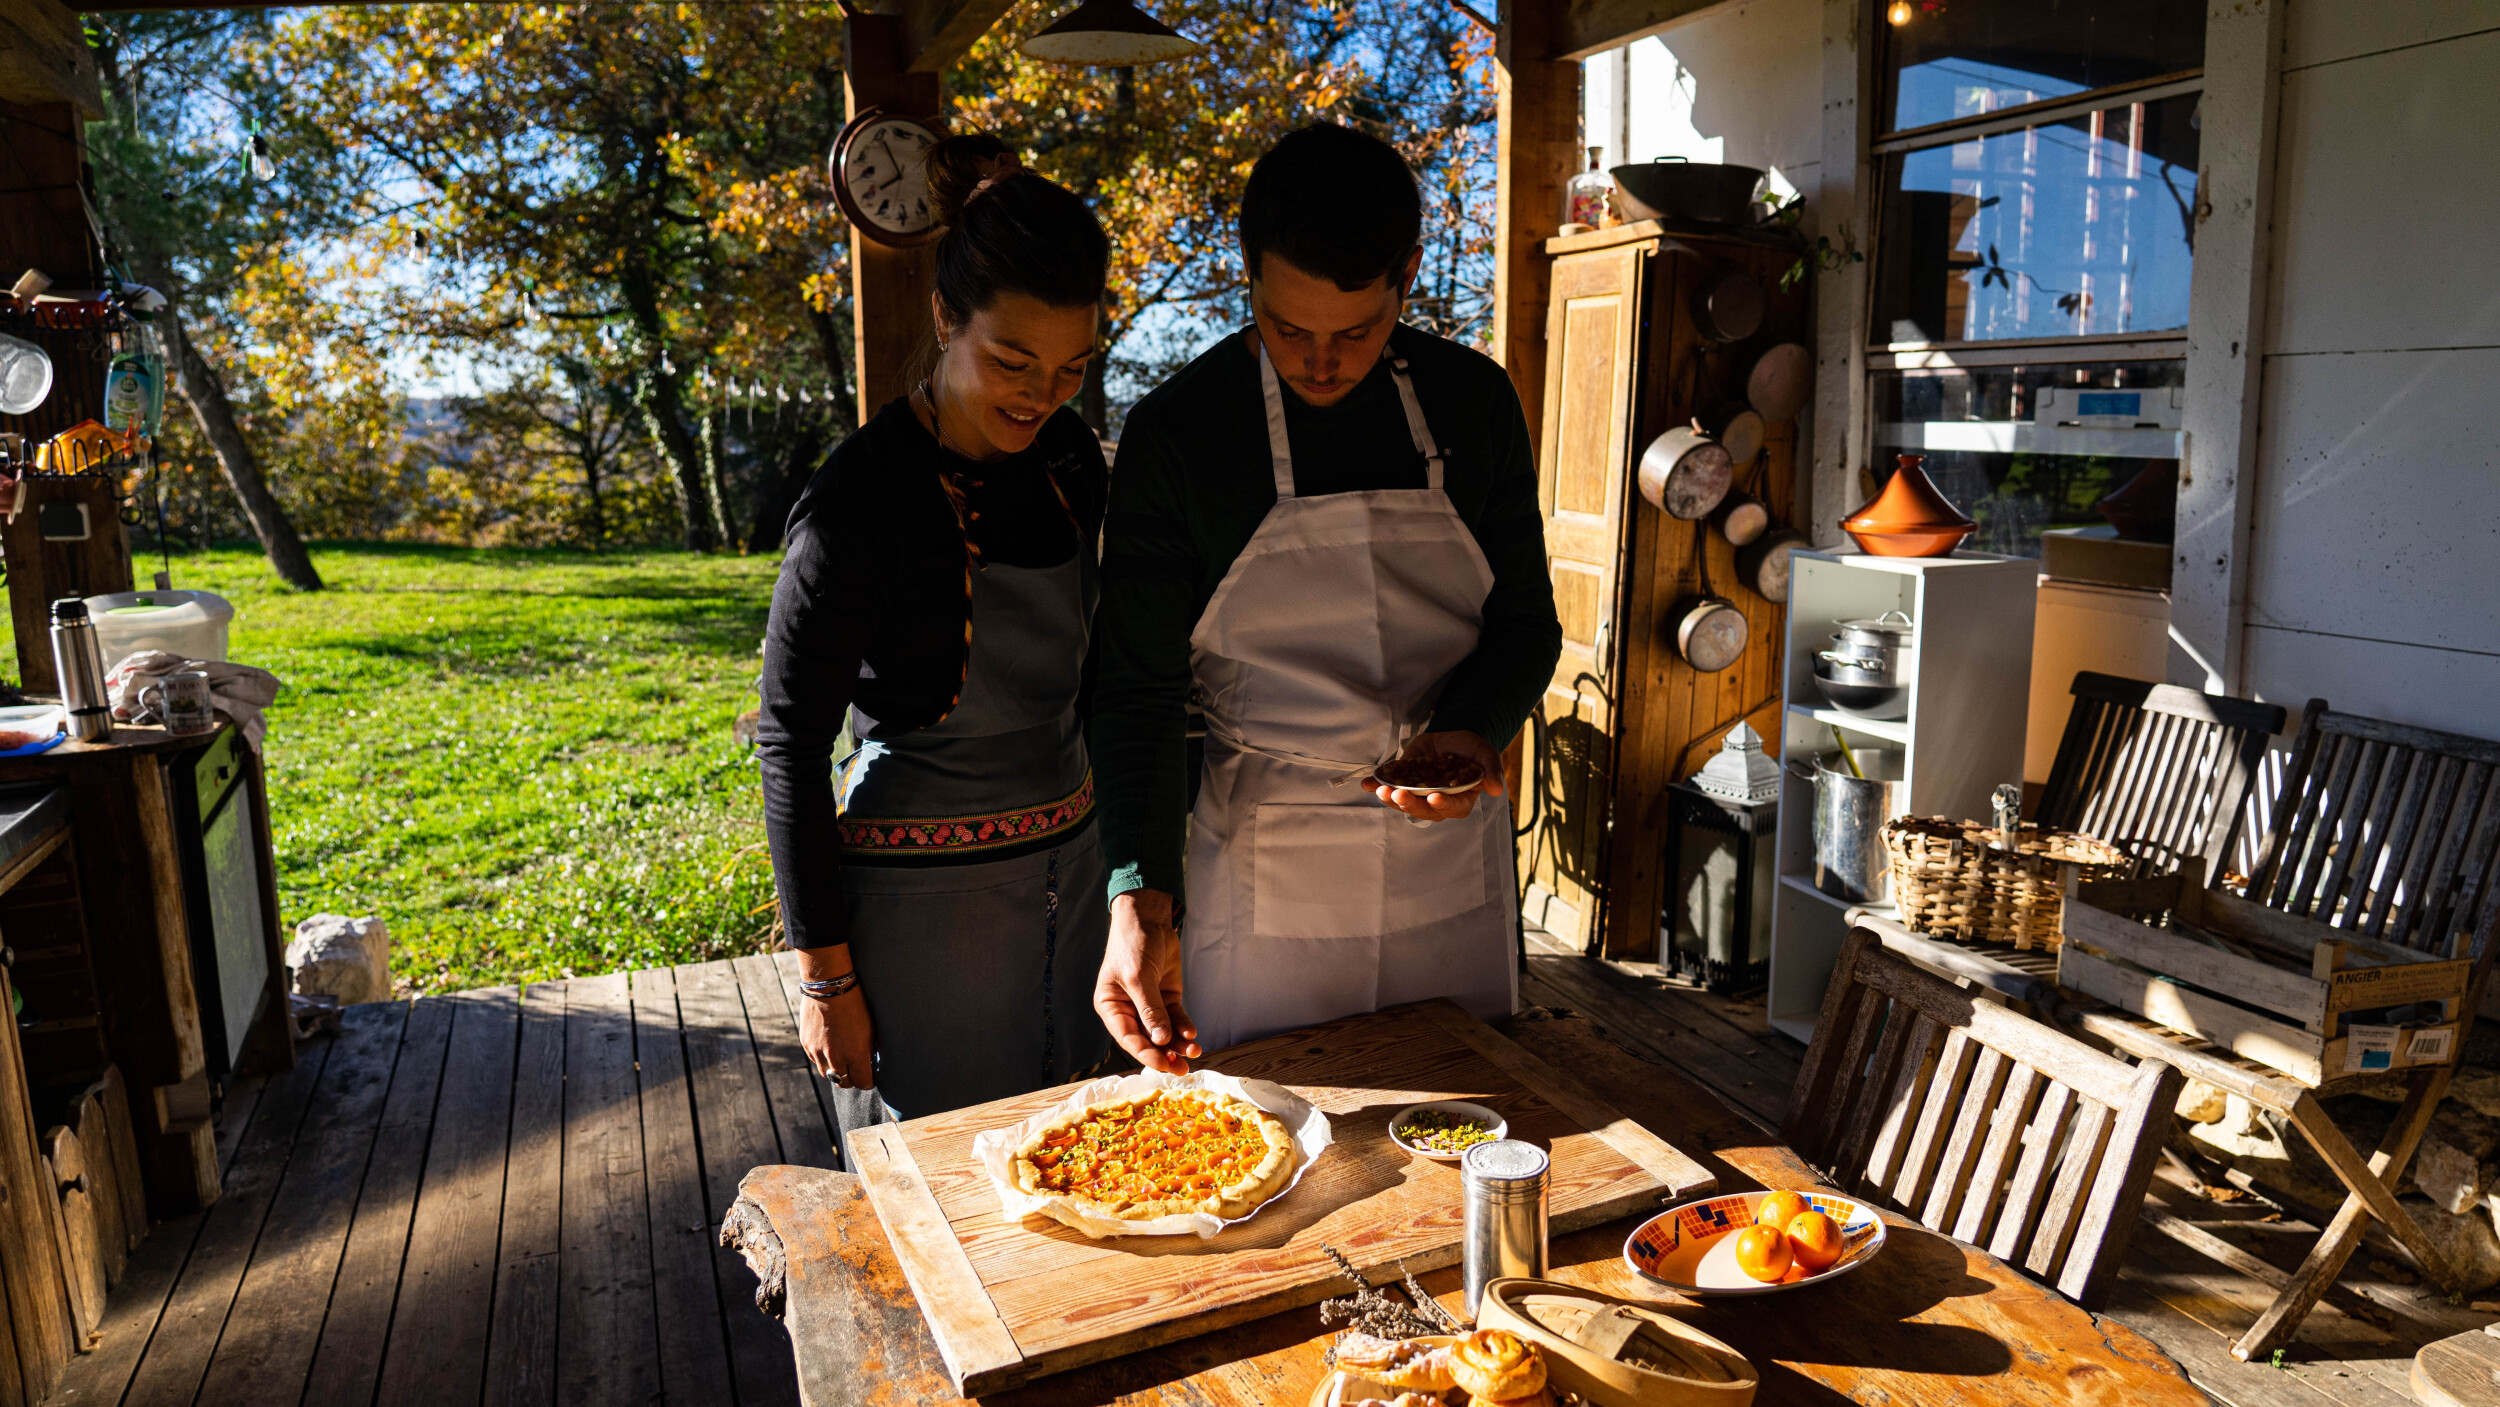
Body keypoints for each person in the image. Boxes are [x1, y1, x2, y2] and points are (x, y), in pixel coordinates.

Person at [1088, 122, 1563, 1070]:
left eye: (1356, 330)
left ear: (1408, 277)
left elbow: (1524, 624)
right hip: (1268, 871)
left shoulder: (1472, 403)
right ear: (1249, 275)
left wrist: (1470, 732)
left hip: (1446, 850)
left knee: (1468, 1104)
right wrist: (1138, 895)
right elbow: (1133, 687)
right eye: (1287, 327)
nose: (1318, 361)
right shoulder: (1181, 433)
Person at [757, 133, 1115, 1119]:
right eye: (1011, 361)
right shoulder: (858, 503)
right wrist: (825, 980)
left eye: (1072, 369)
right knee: (944, 1190)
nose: (1042, 397)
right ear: (944, 318)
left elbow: (1096, 679)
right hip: (918, 920)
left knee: (1084, 1153)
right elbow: (788, 741)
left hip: (1072, 884)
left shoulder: (1072, 460)